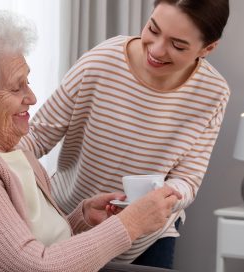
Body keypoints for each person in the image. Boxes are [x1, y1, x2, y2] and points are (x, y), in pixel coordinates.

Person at [0, 11, 181, 272]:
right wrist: (129, 224)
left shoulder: (15, 151)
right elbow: (31, 268)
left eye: (27, 82)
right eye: (16, 87)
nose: (31, 98)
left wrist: (81, 219)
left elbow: (30, 247)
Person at [19, 0, 230, 268]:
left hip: (147, 237)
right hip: (69, 220)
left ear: (208, 48)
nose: (156, 49)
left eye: (177, 45)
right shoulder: (102, 61)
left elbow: (187, 179)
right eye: (153, 29)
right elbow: (35, 137)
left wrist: (158, 198)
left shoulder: (213, 93)